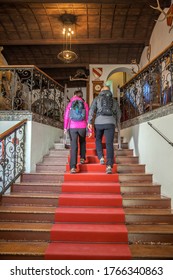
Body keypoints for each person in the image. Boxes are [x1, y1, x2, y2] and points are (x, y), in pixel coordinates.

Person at [88, 86, 121, 174]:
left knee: (98, 139)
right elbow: (119, 113)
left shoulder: (97, 98)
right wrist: (117, 123)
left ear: (101, 91)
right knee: (109, 144)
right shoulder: (114, 100)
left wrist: (89, 122)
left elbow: (91, 110)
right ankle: (109, 166)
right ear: (109, 91)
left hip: (98, 122)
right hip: (110, 123)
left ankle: (101, 157)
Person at [64, 89, 90, 174]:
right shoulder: (85, 104)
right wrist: (89, 129)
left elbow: (66, 116)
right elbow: (87, 117)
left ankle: (73, 167)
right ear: (81, 96)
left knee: (74, 146)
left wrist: (65, 127)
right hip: (82, 126)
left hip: (72, 127)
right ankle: (82, 158)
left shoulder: (70, 103)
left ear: (74, 95)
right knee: (82, 142)